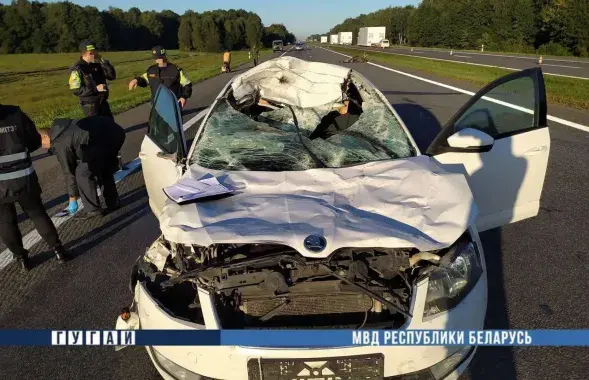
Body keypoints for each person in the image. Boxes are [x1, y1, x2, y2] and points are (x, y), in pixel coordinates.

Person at [0, 104, 69, 270]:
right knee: (37, 214)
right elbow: (34, 140)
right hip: (24, 177)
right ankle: (58, 250)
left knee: (5, 222)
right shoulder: (15, 113)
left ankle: (21, 258)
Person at [41, 116, 126, 220]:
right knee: (102, 166)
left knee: (82, 173)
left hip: (102, 140)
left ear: (45, 136)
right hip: (116, 133)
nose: (41, 146)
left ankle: (92, 209)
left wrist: (72, 198)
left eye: (39, 141)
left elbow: (69, 172)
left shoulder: (59, 143)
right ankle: (113, 202)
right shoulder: (64, 128)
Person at [128, 46, 192, 108]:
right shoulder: (151, 70)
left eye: (160, 57)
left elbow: (187, 84)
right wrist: (136, 80)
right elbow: (144, 79)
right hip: (156, 105)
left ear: (164, 56)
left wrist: (184, 97)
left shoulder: (175, 70)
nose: (158, 60)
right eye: (156, 58)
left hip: (173, 105)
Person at [69, 40, 116, 118]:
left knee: (110, 126)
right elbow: (76, 90)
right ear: (90, 53)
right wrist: (95, 89)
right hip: (90, 105)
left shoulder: (97, 64)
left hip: (103, 102)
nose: (98, 54)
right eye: (96, 52)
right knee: (97, 128)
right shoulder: (77, 68)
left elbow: (112, 76)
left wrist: (105, 63)